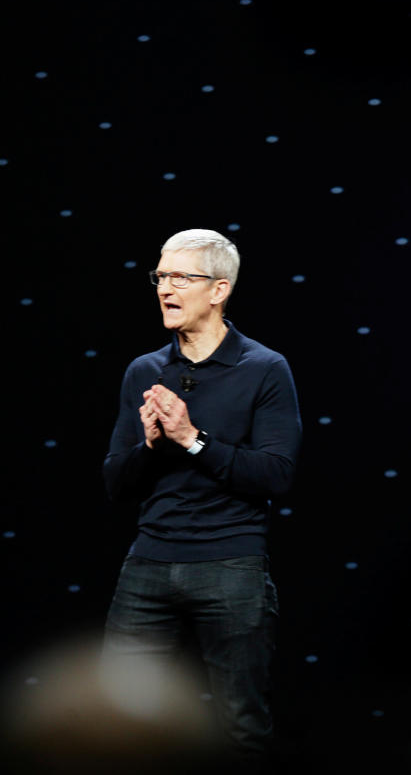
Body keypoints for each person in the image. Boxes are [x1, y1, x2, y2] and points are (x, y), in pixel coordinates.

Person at [101, 229, 301, 761]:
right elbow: (116, 483)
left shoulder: (264, 368)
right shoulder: (145, 370)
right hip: (148, 564)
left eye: (180, 277)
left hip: (230, 564)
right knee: (115, 721)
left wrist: (192, 440)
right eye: (160, 277)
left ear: (218, 290)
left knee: (239, 725)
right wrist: (148, 446)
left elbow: (276, 474)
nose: (165, 288)